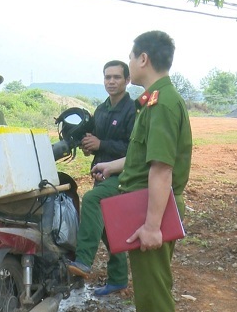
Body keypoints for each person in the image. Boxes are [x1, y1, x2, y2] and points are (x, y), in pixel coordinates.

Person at [72, 31, 192, 311]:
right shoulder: (153, 101)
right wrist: (111, 165)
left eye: (130, 56)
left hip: (152, 209)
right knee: (151, 289)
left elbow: (161, 170)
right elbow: (142, 156)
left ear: (143, 59)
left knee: (153, 298)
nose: (129, 62)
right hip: (147, 204)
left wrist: (151, 227)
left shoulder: (161, 104)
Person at [68, 60, 136, 296]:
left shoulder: (132, 110)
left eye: (117, 77)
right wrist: (89, 146)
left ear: (127, 80)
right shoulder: (101, 110)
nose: (111, 81)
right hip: (101, 172)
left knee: (91, 200)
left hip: (123, 176)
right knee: (109, 226)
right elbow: (97, 142)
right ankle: (117, 279)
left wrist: (101, 144)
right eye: (107, 77)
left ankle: (83, 260)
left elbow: (134, 149)